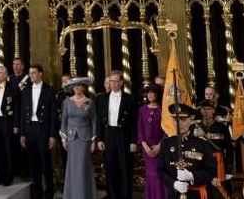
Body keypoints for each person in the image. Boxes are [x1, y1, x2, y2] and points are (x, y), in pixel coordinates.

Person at [157, 103, 217, 199]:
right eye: (176, 120)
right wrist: (174, 183)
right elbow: (160, 170)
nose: (179, 124)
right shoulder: (166, 144)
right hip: (174, 195)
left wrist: (192, 176)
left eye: (183, 120)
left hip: (197, 195)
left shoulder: (202, 144)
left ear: (191, 120)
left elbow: (211, 171)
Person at [95, 70, 137, 199]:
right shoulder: (101, 98)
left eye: (116, 81)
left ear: (121, 83)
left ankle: (125, 196)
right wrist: (100, 139)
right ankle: (112, 195)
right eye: (111, 81)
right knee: (110, 167)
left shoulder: (129, 98)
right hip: (108, 135)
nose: (113, 84)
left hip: (123, 135)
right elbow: (98, 121)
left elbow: (134, 122)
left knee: (125, 167)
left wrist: (133, 141)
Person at [19, 64, 58, 199]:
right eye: (30, 73)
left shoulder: (49, 90)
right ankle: (37, 192)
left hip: (43, 130)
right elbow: (23, 114)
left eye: (34, 73)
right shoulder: (26, 90)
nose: (31, 76)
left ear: (40, 74)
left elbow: (53, 115)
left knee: (45, 162)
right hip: (30, 129)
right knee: (33, 162)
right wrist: (23, 133)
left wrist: (52, 135)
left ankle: (49, 191)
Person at [60, 77, 97, 199]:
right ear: (72, 88)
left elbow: (94, 121)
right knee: (72, 167)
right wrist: (64, 138)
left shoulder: (89, 102)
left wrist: (93, 140)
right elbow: (64, 121)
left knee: (83, 166)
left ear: (83, 87)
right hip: (71, 138)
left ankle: (85, 195)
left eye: (80, 86)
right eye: (75, 86)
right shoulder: (67, 102)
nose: (77, 88)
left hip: (85, 139)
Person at [194, 100, 234, 189]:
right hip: (200, 163)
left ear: (213, 110)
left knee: (218, 190)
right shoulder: (194, 127)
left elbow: (229, 149)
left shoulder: (222, 127)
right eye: (204, 109)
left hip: (218, 164)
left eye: (209, 109)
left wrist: (228, 170)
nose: (206, 111)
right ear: (200, 110)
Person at [137, 83, 167, 199]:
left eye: (152, 93)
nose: (150, 95)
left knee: (159, 173)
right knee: (150, 174)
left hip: (160, 147)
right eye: (148, 93)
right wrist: (145, 146)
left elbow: (166, 130)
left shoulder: (163, 110)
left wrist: (159, 146)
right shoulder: (142, 109)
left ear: (157, 94)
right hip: (146, 148)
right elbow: (140, 129)